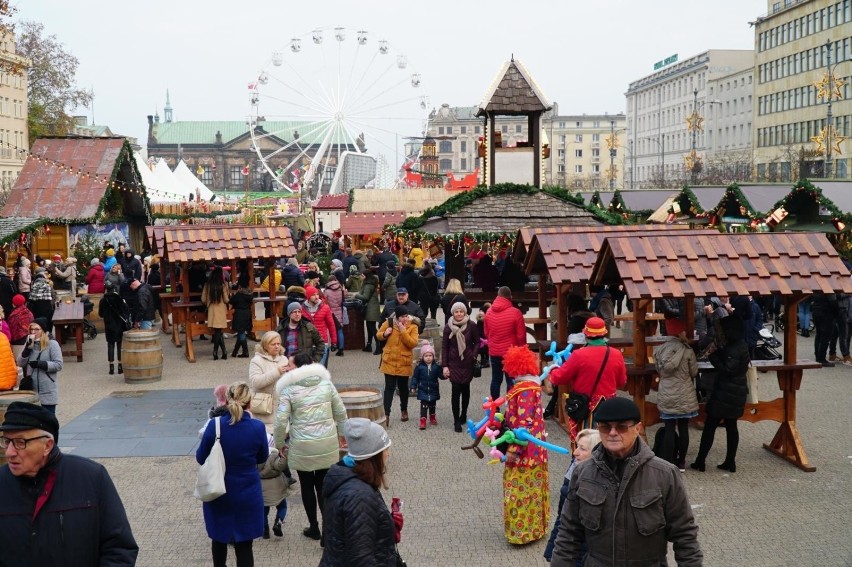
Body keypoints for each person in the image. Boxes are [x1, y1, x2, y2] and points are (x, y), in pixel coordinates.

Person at [551, 397, 703, 566]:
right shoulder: (583, 473)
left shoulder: (665, 474)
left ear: (637, 428)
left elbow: (685, 536)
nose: (613, 433)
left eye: (622, 427)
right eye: (605, 427)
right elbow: (568, 534)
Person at [0, 401, 138, 565]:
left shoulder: (92, 477)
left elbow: (119, 548)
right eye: (6, 441)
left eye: (20, 442)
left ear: (47, 446)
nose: (9, 452)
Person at [274, 353, 347, 541]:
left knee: (306, 485)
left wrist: (280, 443)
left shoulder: (289, 390)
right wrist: (343, 434)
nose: (287, 367)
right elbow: (340, 411)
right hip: (326, 442)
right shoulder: (326, 384)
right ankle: (327, 530)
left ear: (298, 367)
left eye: (290, 364)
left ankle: (314, 527)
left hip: (302, 444)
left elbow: (281, 420)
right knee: (323, 485)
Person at [197, 381, 268, 567]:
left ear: (226, 401)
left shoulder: (215, 425)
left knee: (219, 539)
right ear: (249, 403)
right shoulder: (257, 427)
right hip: (248, 492)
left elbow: (200, 457)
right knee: (245, 545)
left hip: (219, 491)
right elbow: (263, 457)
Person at [319, 417, 396, 567]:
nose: (388, 454)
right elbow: (361, 559)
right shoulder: (360, 496)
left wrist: (387, 524)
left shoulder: (348, 479)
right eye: (385, 449)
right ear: (373, 455)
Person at [500, 345, 550, 545]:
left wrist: (514, 449)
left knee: (520, 490)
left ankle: (522, 533)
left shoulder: (524, 390)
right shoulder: (531, 386)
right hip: (536, 450)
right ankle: (537, 528)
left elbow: (524, 423)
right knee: (534, 489)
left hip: (526, 452)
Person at [548, 316, 627, 441]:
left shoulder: (579, 354)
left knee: (587, 442)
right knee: (608, 441)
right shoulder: (616, 354)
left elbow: (558, 378)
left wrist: (552, 369)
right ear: (604, 334)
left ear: (586, 334)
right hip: (609, 406)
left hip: (586, 406)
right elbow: (622, 381)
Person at [690, 315, 750, 473]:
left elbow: (728, 369)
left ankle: (700, 460)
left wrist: (713, 356)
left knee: (710, 426)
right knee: (731, 426)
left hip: (725, 391)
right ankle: (730, 461)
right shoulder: (741, 345)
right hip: (737, 390)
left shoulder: (732, 348)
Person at [543, 428, 601, 563]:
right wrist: (552, 548)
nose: (575, 453)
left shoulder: (606, 482)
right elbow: (563, 519)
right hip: (573, 550)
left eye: (582, 449)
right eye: (577, 447)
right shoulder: (572, 473)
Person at [654, 331, 699, 471]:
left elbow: (659, 370)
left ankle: (668, 461)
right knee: (684, 428)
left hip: (667, 393)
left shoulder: (661, 349)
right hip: (684, 393)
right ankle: (681, 462)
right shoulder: (687, 350)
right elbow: (694, 373)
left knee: (669, 428)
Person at [442, 301, 480, 432]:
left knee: (466, 390)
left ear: (465, 312)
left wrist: (474, 355)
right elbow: (444, 347)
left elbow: (477, 342)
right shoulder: (448, 327)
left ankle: (464, 413)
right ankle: (456, 421)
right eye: (456, 311)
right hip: (454, 363)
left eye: (461, 311)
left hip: (467, 362)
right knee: (455, 391)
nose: (459, 314)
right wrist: (444, 365)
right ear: (453, 313)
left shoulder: (472, 325)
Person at [377, 306, 419, 424]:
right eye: (402, 317)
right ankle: (386, 414)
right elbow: (378, 335)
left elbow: (412, 343)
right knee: (389, 388)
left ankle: (404, 410)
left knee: (403, 388)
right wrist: (385, 334)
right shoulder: (389, 323)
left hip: (403, 362)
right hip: (389, 360)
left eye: (406, 316)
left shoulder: (413, 326)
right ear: (397, 317)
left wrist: (403, 331)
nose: (405, 319)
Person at [483, 286, 526, 400]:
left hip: (494, 352)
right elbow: (521, 337)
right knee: (511, 380)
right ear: (510, 297)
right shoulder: (516, 313)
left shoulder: (488, 312)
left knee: (496, 379)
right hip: (511, 353)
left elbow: (486, 333)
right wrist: (522, 351)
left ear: (498, 295)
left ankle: (495, 408)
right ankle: (510, 409)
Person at [17, 318, 62, 413]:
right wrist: (26, 351)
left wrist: (42, 364)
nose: (33, 332)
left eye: (37, 329)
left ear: (43, 330)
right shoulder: (29, 343)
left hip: (47, 389)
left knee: (49, 422)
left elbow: (58, 364)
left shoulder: (52, 344)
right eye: (31, 329)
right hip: (31, 389)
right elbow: (20, 363)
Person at [409, 341, 444, 430]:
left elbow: (440, 375)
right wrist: (413, 386)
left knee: (432, 405)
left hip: (433, 389)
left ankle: (432, 417)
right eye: (426, 356)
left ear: (433, 356)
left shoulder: (436, 367)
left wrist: (445, 375)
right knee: (424, 406)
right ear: (422, 357)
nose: (428, 358)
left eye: (430, 356)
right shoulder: (419, 367)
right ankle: (423, 420)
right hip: (423, 389)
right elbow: (415, 378)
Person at [98, 280, 130, 375]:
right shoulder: (119, 299)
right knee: (120, 344)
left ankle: (111, 367)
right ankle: (120, 366)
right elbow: (125, 311)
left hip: (109, 325)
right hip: (119, 324)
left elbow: (101, 314)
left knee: (110, 344)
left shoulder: (103, 300)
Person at [301, 285, 337, 366]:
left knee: (320, 369)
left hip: (322, 343)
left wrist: (334, 342)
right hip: (308, 344)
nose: (316, 297)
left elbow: (331, 325)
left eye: (317, 294)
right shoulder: (301, 309)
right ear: (308, 297)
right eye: (313, 295)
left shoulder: (325, 308)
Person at [202, 266, 230, 360]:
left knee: (217, 331)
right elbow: (226, 299)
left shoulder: (207, 285)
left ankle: (219, 352)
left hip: (212, 310)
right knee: (219, 331)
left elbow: (203, 299)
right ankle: (221, 352)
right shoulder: (223, 285)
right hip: (221, 309)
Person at [355, 267, 381, 354]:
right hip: (372, 306)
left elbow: (365, 297)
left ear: (366, 276)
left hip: (371, 308)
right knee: (369, 327)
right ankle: (369, 345)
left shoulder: (368, 285)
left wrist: (356, 295)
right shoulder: (370, 283)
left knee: (372, 328)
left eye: (362, 275)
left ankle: (378, 345)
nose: (361, 277)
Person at [229, 276, 253, 358]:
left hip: (239, 313)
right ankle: (234, 352)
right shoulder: (250, 294)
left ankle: (245, 352)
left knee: (241, 332)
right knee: (241, 332)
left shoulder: (239, 294)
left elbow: (231, 301)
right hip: (247, 312)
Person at [27, 268, 55, 333]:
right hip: (47, 305)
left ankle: (40, 333)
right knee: (48, 320)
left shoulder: (34, 286)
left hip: (37, 306)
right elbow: (52, 296)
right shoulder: (47, 285)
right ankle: (48, 333)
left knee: (39, 321)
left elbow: (31, 298)